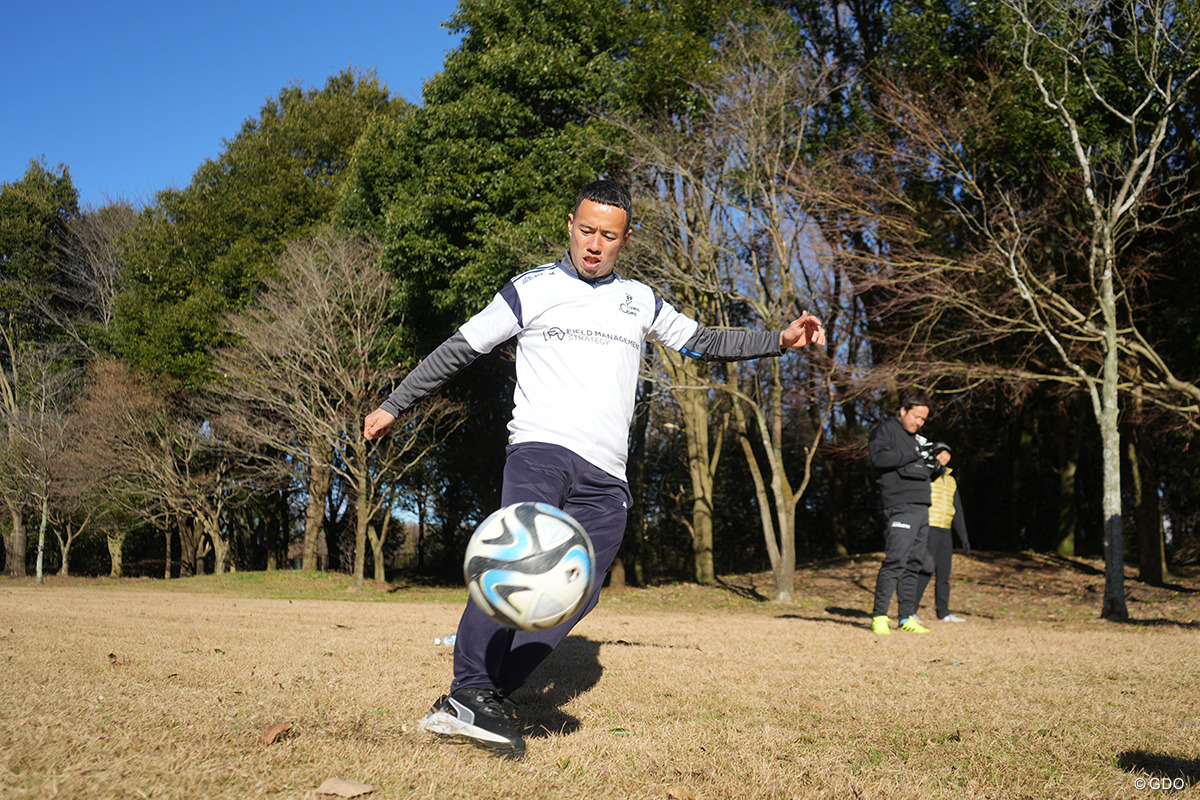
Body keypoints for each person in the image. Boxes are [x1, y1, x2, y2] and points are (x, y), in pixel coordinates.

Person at [363, 179, 826, 758]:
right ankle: (468, 691)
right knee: (514, 564)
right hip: (540, 452)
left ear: (625, 239)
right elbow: (461, 348)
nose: (594, 244)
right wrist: (393, 403)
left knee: (579, 593)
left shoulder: (639, 299)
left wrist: (778, 339)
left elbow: (703, 340)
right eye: (586, 230)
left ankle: (484, 696)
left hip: (607, 475)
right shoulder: (532, 289)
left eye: (608, 235)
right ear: (570, 225)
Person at [867, 392, 949, 635]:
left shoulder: (917, 439)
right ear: (903, 411)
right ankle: (880, 616)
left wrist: (938, 463)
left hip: (922, 504)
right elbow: (878, 458)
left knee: (915, 563)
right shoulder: (886, 431)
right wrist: (916, 454)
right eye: (916, 416)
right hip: (899, 504)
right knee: (896, 560)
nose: (919, 423)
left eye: (923, 419)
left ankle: (906, 617)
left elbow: (924, 471)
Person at [915, 451, 970, 623]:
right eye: (941, 454)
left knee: (944, 573)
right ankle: (909, 611)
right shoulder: (926, 474)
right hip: (929, 527)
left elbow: (958, 510)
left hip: (945, 530)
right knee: (926, 569)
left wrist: (964, 538)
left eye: (947, 455)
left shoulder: (951, 480)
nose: (944, 458)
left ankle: (944, 612)